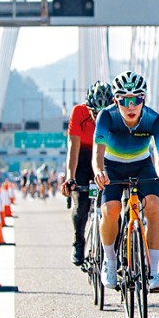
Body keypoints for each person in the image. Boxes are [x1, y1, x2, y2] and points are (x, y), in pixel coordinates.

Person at [92, 70, 159, 293]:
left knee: (155, 206)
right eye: (125, 101)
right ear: (115, 101)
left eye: (136, 100)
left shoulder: (154, 119)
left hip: (142, 165)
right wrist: (99, 171)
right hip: (112, 166)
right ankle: (110, 263)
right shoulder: (106, 117)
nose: (131, 106)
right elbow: (97, 153)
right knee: (111, 209)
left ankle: (153, 272)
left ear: (143, 99)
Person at [61, 80, 113, 266]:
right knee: (81, 204)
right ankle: (78, 242)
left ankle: (114, 248)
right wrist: (70, 177)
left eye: (102, 114)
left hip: (105, 156)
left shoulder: (116, 115)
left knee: (111, 206)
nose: (98, 118)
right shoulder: (78, 112)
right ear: (87, 108)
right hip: (83, 157)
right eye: (94, 113)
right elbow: (73, 148)